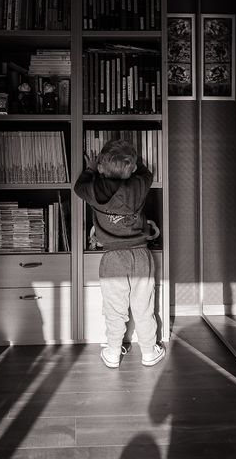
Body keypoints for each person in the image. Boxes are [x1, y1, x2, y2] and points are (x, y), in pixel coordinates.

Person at [74, 140, 165, 369]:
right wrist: (137, 163)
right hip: (140, 254)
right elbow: (147, 173)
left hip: (112, 257)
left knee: (114, 308)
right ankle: (148, 352)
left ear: (102, 168)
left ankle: (113, 352)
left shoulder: (92, 189)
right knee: (143, 306)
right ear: (132, 169)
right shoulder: (138, 186)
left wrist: (91, 168)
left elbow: (78, 186)